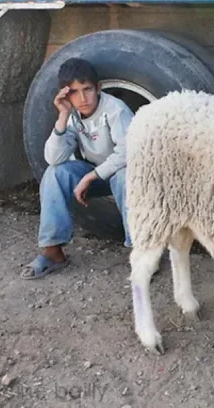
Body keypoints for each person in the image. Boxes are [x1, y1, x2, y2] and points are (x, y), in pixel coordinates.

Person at [21, 57, 135, 279]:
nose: (82, 98)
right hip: (96, 174)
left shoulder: (115, 110)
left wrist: (91, 177)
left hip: (123, 172)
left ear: (98, 88)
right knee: (55, 174)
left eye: (87, 89)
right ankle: (53, 250)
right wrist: (63, 116)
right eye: (74, 92)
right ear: (65, 95)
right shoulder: (72, 114)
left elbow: (128, 152)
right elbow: (54, 158)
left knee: (124, 176)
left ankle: (141, 253)